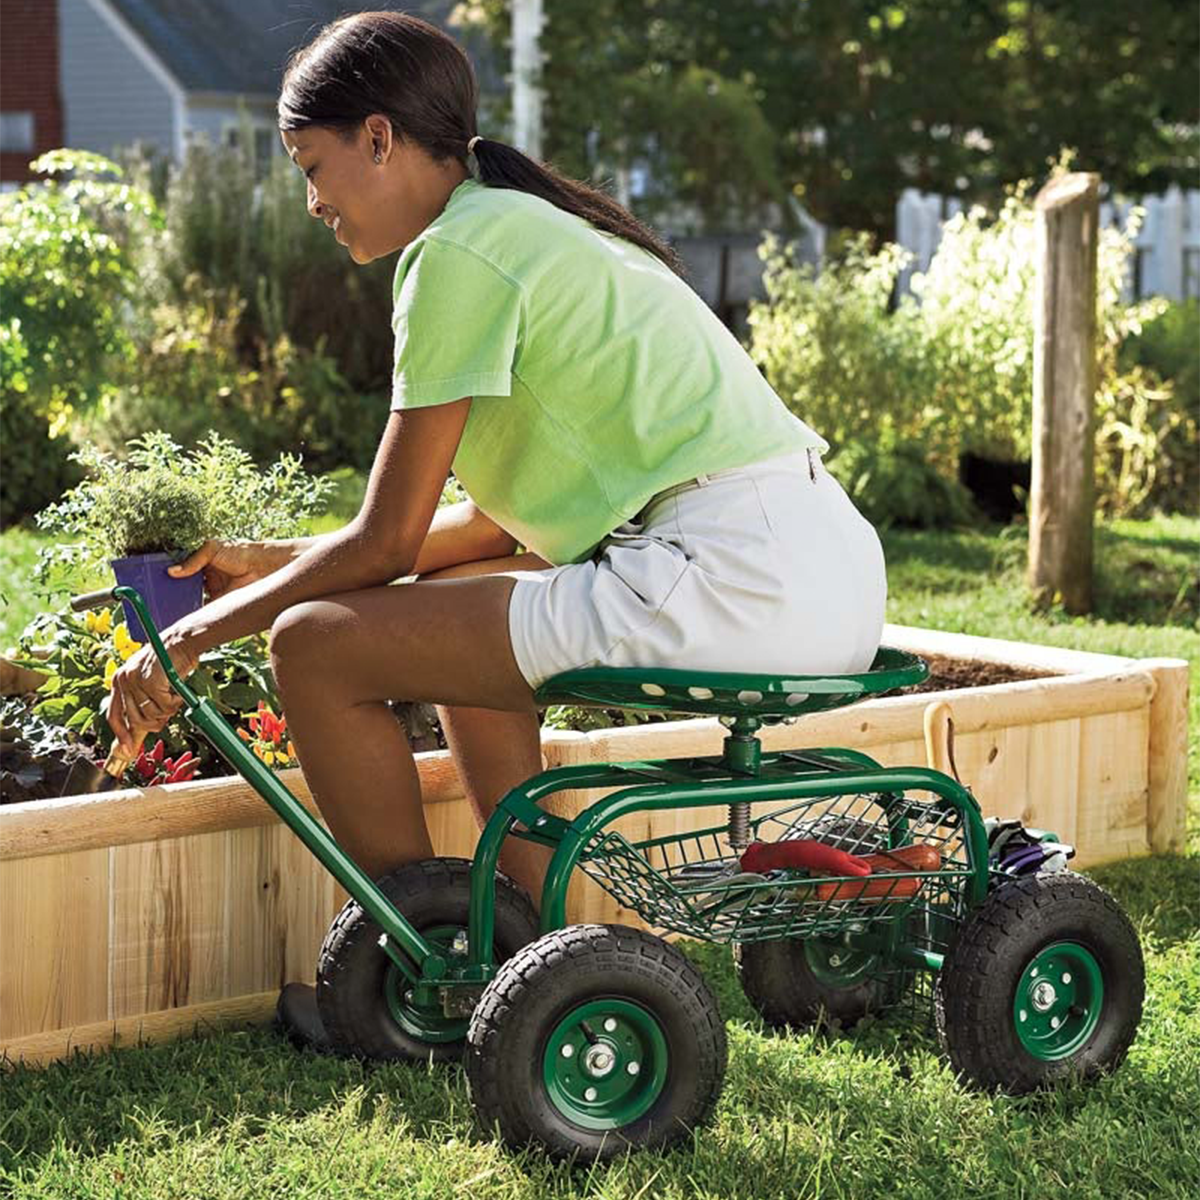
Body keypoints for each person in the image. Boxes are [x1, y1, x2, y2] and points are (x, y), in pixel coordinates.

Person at [105, 11, 886, 1053]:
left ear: (379, 138)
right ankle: (534, 963)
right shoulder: (523, 227)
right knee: (460, 633)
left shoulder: (457, 255)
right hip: (813, 569)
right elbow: (474, 535)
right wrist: (266, 564)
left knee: (316, 646)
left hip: (727, 577)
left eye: (314, 164)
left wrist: (194, 639)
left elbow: (386, 544)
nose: (312, 201)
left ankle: (422, 981)